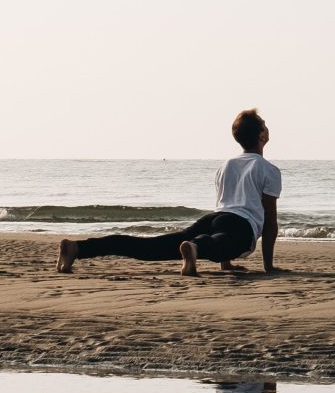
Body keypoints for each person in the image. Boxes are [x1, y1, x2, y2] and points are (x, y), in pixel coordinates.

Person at [58, 111, 281, 277]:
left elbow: (226, 203)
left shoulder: (227, 165)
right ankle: (195, 248)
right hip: (241, 225)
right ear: (261, 135)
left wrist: (226, 262)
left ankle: (78, 248)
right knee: (221, 243)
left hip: (213, 219)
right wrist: (269, 266)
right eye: (264, 124)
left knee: (150, 247)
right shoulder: (268, 169)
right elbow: (270, 221)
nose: (267, 127)